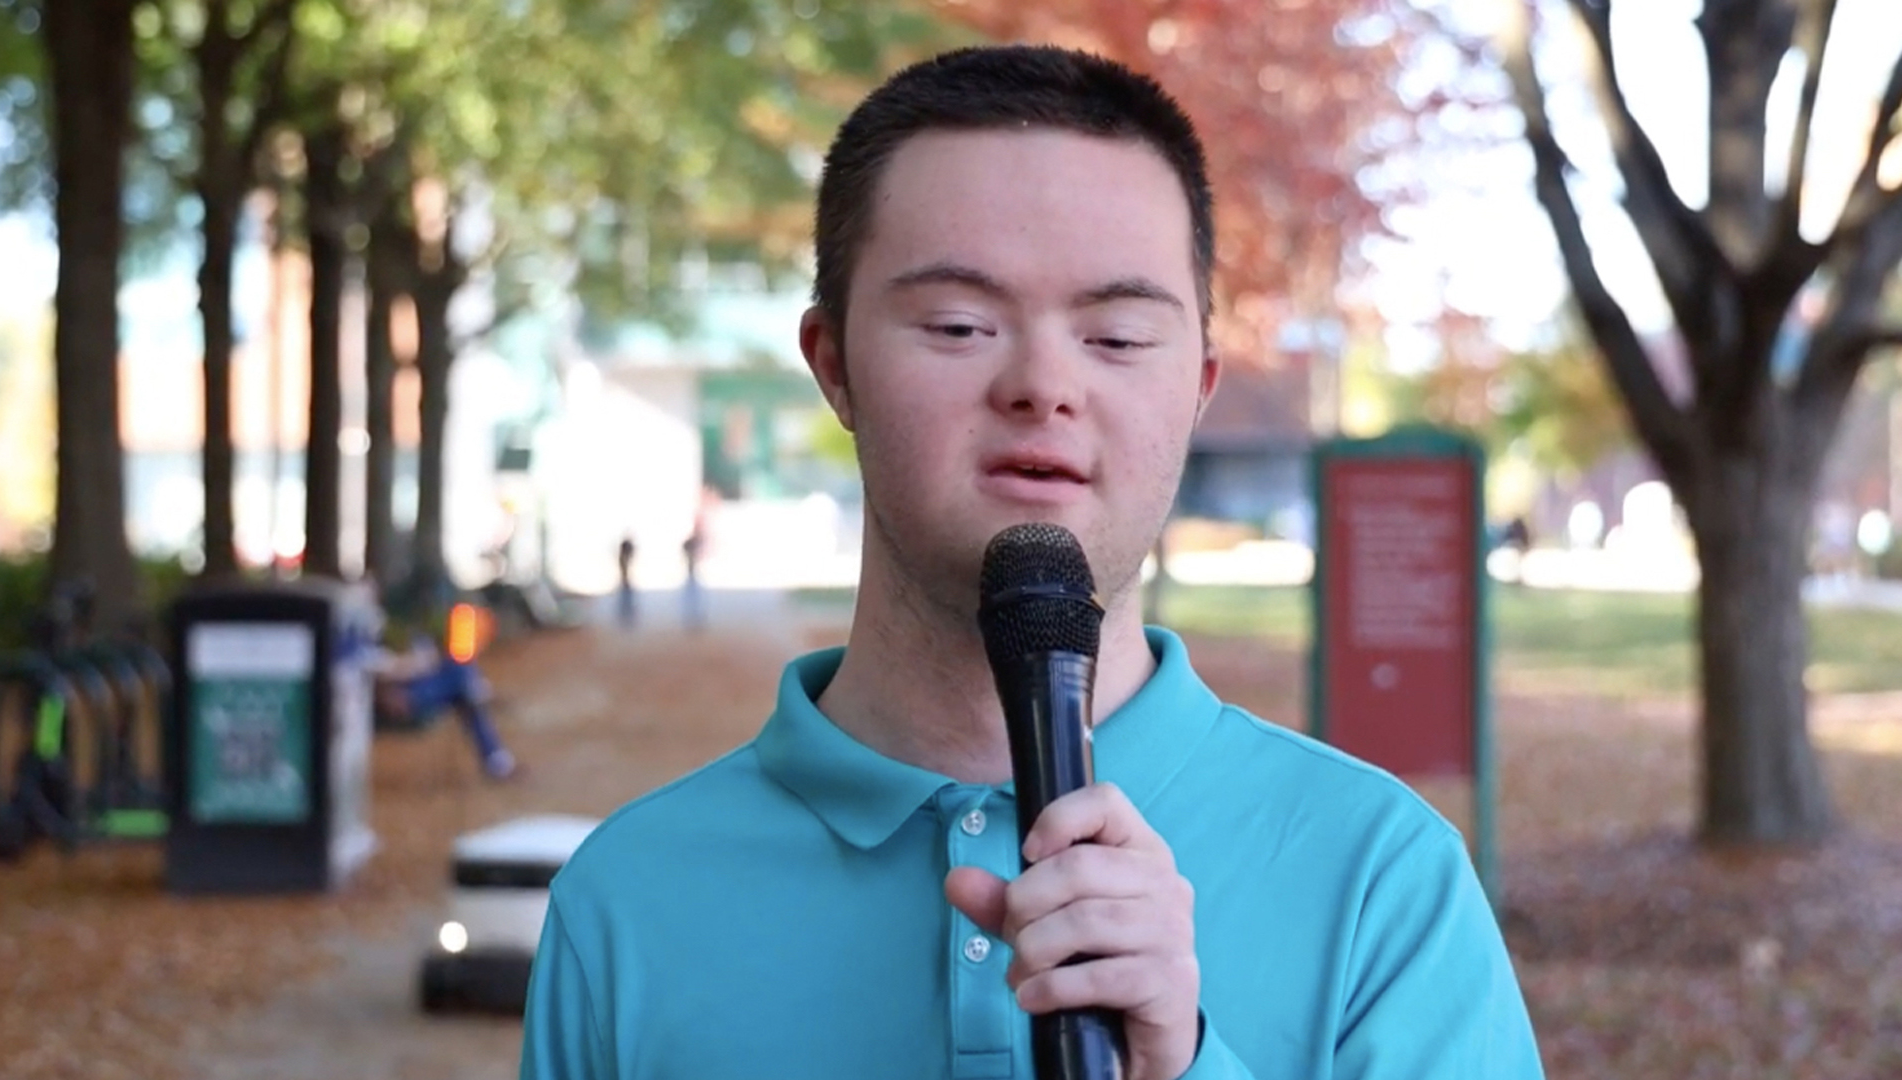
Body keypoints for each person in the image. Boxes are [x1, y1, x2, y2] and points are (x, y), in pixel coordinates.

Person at [522, 45, 1543, 1079]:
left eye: (1116, 337)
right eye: (962, 324)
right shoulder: (630, 902)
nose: (1044, 385)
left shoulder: (1379, 879)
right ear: (834, 367)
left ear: (1197, 385)